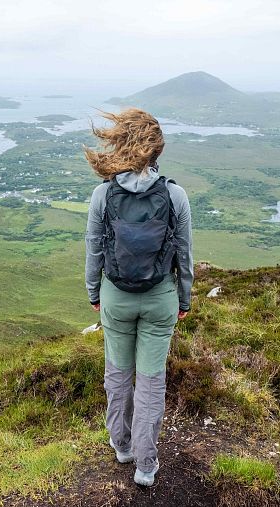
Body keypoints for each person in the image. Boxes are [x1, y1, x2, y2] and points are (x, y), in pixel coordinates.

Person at [84, 108, 194, 487]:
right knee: (150, 381)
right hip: (160, 298)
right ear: (156, 148)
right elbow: (184, 255)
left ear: (118, 144)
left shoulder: (103, 194)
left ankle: (122, 446)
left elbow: (94, 250)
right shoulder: (175, 195)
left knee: (117, 374)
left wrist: (94, 293)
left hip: (116, 298)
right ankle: (146, 466)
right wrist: (183, 300)